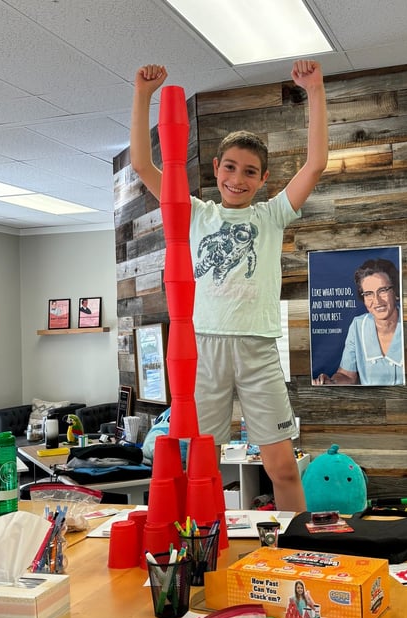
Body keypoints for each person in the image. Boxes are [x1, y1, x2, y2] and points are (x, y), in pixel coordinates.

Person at [130, 60, 328, 512]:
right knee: (201, 465)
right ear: (217, 167)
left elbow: (316, 164)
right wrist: (144, 97)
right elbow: (143, 163)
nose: (238, 180)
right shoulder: (195, 211)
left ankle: (292, 552)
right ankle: (206, 546)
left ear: (263, 180)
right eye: (231, 167)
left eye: (250, 172)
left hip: (258, 350)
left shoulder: (271, 215)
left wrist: (314, 91)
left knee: (281, 466)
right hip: (202, 351)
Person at [314, 258, 404, 386]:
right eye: (368, 294)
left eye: (382, 291)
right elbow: (347, 376)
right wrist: (331, 382)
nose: (377, 301)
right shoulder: (358, 325)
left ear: (395, 292)